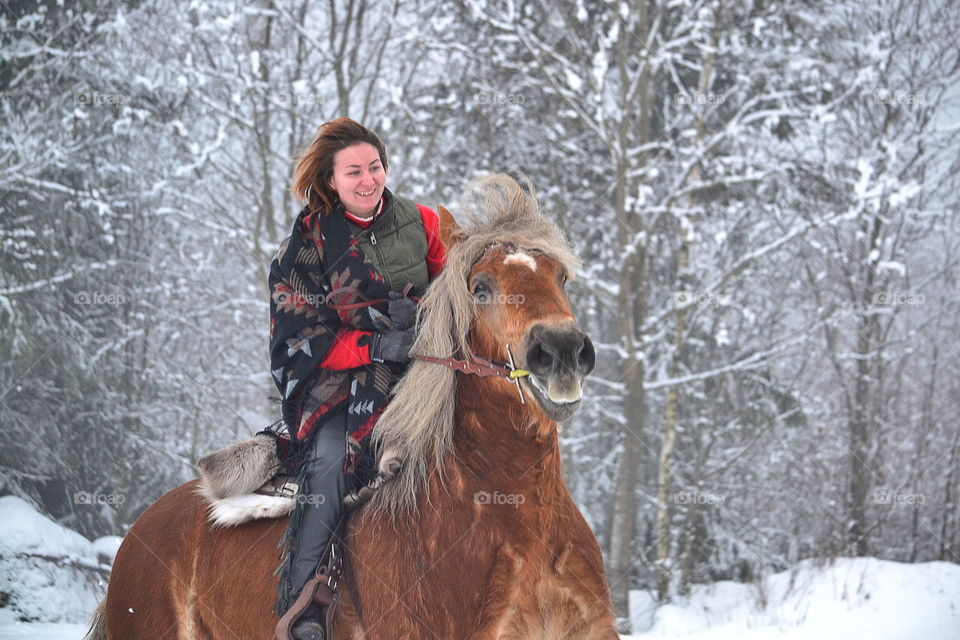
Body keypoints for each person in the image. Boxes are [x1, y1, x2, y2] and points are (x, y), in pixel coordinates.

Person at [268, 118, 446, 640]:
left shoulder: (425, 222)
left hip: (424, 369)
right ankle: (303, 606)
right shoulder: (300, 251)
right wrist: (372, 343)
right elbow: (300, 341)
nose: (368, 180)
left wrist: (426, 321)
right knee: (328, 463)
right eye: (354, 172)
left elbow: (453, 291)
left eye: (375, 167)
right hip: (339, 386)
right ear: (330, 181)